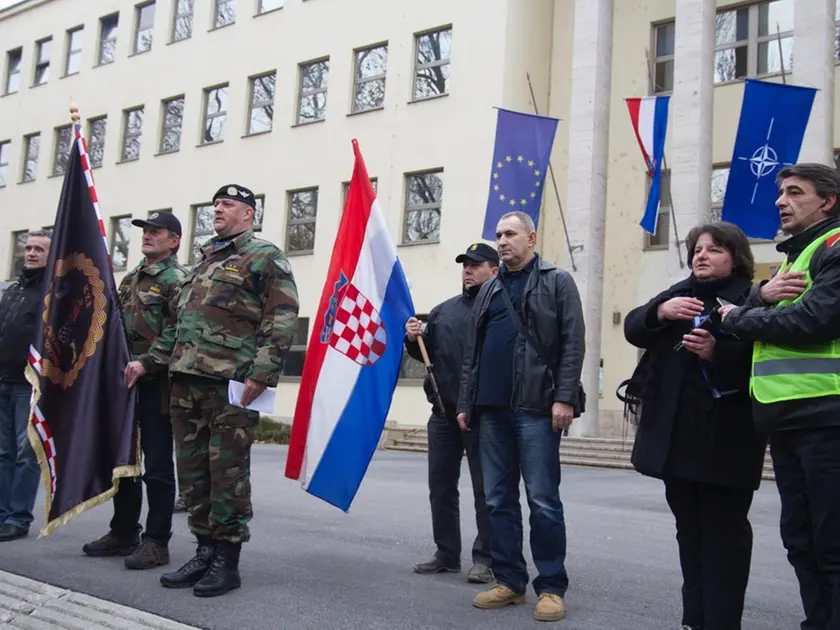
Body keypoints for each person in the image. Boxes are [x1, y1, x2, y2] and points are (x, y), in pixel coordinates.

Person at [623, 222, 767, 630]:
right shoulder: (680, 293)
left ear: (736, 257)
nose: (701, 255)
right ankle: (694, 620)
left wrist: (718, 354)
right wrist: (658, 311)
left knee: (725, 538)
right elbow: (633, 327)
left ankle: (722, 622)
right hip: (677, 441)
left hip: (726, 443)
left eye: (714, 249)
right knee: (689, 533)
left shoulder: (752, 298)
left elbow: (764, 357)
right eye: (697, 249)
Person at [158, 184, 299, 598]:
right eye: (216, 204)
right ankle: (204, 550)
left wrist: (262, 373)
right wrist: (152, 361)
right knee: (193, 473)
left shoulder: (264, 257)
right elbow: (179, 322)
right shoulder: (203, 261)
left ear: (248, 215)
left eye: (228, 205)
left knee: (228, 474)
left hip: (231, 384)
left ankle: (227, 560)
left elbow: (282, 315)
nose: (218, 209)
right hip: (186, 380)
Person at [720, 163, 840, 630]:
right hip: (789, 420)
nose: (780, 201)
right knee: (802, 541)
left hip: (828, 417)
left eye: (795, 192)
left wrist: (737, 317)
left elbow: (815, 321)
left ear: (827, 202)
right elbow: (752, 317)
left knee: (832, 545)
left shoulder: (833, 246)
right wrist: (757, 300)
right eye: (780, 192)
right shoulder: (796, 256)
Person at [456, 211, 585, 623]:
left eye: (510, 234)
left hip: (536, 408)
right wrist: (465, 402)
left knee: (543, 500)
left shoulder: (557, 281)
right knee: (498, 500)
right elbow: (471, 355)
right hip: (491, 410)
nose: (503, 240)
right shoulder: (490, 289)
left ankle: (551, 587)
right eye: (498, 235)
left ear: (531, 238)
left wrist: (564, 398)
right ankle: (510, 582)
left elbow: (572, 344)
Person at [82, 212, 187, 569]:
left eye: (156, 232)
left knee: (156, 466)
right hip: (123, 384)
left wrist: (148, 362)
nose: (147, 236)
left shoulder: (178, 280)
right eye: (145, 231)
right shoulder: (130, 279)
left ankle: (157, 542)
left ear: (174, 241)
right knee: (124, 464)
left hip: (156, 383)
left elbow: (181, 330)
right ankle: (124, 531)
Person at [404, 242, 499, 585]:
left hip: (481, 416)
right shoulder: (443, 312)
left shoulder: (501, 311)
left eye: (476, 265)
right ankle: (446, 554)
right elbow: (429, 355)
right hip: (442, 414)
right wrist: (413, 340)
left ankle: (485, 558)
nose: (468, 271)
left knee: (484, 490)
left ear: (494, 270)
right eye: (464, 265)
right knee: (441, 486)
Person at [0, 230, 51, 542]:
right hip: (3, 380)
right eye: (28, 248)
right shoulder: (12, 290)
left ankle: (18, 517)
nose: (31, 253)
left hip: (27, 385)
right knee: (3, 452)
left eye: (39, 249)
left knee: (24, 453)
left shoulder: (52, 295)